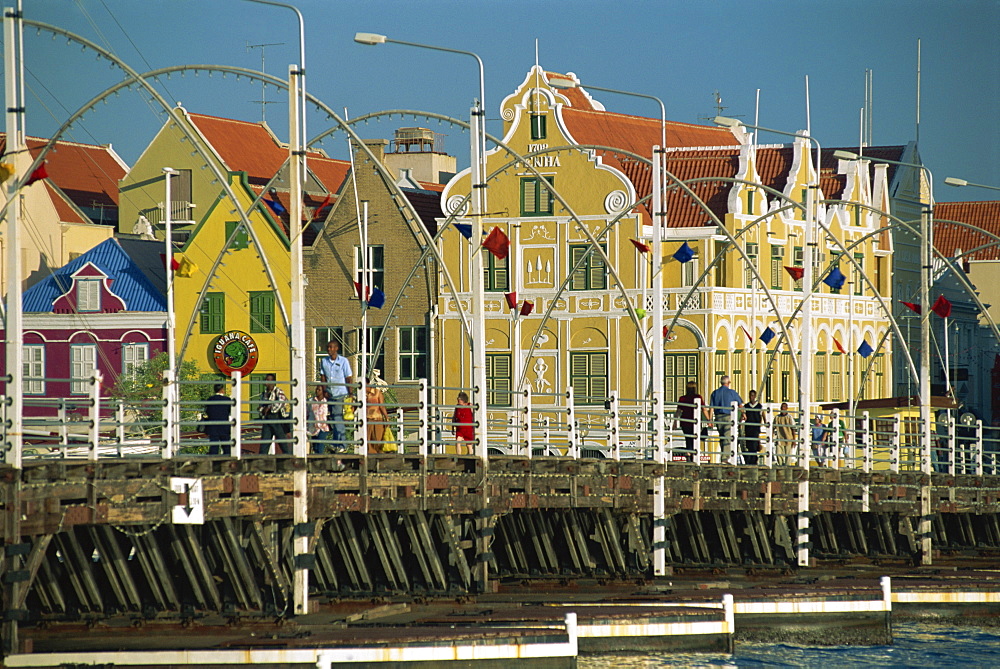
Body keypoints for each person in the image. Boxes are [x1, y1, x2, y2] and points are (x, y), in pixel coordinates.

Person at [320, 340, 354, 450]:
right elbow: (323, 376)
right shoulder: (324, 361)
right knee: (333, 419)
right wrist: (324, 390)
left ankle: (343, 445)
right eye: (328, 347)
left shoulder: (344, 361)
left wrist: (351, 393)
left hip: (340, 393)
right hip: (329, 393)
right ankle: (336, 443)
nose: (329, 349)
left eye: (331, 347)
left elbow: (348, 377)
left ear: (336, 348)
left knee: (338, 418)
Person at [676, 381, 710, 462]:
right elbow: (704, 409)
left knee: (688, 439)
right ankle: (694, 455)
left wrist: (675, 422)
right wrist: (709, 420)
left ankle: (689, 454)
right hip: (695, 422)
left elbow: (678, 411)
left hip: (685, 422)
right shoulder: (698, 397)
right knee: (695, 439)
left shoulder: (682, 398)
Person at [709, 375, 743, 456]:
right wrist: (743, 413)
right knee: (727, 437)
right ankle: (725, 458)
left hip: (718, 417)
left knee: (722, 437)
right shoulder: (732, 392)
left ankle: (724, 454)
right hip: (728, 416)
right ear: (729, 382)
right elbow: (740, 405)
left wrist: (710, 419)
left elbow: (711, 407)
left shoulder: (715, 393)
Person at [258, 373, 291, 454]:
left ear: (273, 382)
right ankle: (261, 459)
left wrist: (269, 407)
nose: (267, 382)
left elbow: (281, 402)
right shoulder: (264, 394)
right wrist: (262, 409)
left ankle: (288, 457)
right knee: (265, 441)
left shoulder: (278, 391)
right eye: (266, 380)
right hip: (267, 419)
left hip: (277, 418)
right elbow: (260, 406)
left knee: (282, 441)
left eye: (269, 380)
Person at [204, 383, 232, 456]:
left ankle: (213, 463)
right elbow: (231, 412)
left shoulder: (210, 399)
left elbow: (207, 411)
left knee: (214, 447)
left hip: (212, 426)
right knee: (226, 447)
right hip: (224, 426)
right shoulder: (227, 400)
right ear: (222, 390)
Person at [741, 389, 763, 465]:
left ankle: (753, 460)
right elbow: (743, 415)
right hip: (748, 427)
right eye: (750, 395)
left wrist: (764, 423)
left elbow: (762, 415)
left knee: (754, 444)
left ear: (755, 396)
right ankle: (750, 459)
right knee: (749, 444)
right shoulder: (746, 406)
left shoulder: (759, 406)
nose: (752, 397)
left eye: (753, 395)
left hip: (756, 427)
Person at [366, 383, 388, 454]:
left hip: (378, 418)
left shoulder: (377, 392)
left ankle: (380, 452)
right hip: (368, 418)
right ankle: (371, 453)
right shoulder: (362, 394)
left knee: (378, 436)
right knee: (368, 437)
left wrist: (386, 417)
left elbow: (381, 405)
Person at [308, 385, 331, 454]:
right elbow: (306, 412)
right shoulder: (311, 401)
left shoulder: (327, 402)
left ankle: (320, 460)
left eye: (319, 390)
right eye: (316, 389)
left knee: (320, 444)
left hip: (323, 427)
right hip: (313, 427)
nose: (317, 391)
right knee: (315, 446)